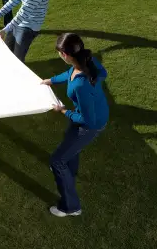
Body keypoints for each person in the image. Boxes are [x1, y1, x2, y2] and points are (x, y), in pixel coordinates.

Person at [40, 33, 109, 217]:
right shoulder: (86, 62)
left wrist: (63, 111)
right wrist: (52, 81)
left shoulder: (80, 86)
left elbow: (88, 120)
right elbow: (76, 73)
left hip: (90, 124)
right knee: (69, 145)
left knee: (56, 161)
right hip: (93, 115)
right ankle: (69, 172)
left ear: (65, 54)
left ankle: (70, 207)